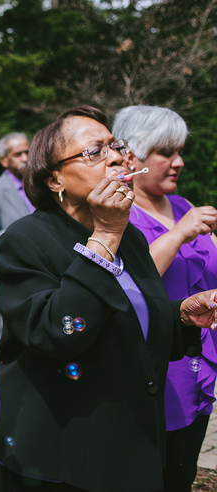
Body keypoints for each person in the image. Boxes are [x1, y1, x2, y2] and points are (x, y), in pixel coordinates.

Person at [0, 105, 217, 492]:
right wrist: (104, 238)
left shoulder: (133, 239)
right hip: (57, 459)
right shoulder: (25, 240)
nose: (115, 157)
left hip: (125, 446)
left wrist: (180, 317)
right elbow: (57, 332)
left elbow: (135, 320)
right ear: (55, 177)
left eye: (114, 145)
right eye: (95, 151)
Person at [114, 105, 217, 492]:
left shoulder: (183, 206)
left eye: (180, 151)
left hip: (197, 361)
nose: (179, 162)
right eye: (166, 152)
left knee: (181, 473)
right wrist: (178, 235)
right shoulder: (116, 213)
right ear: (131, 156)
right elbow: (127, 284)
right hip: (156, 369)